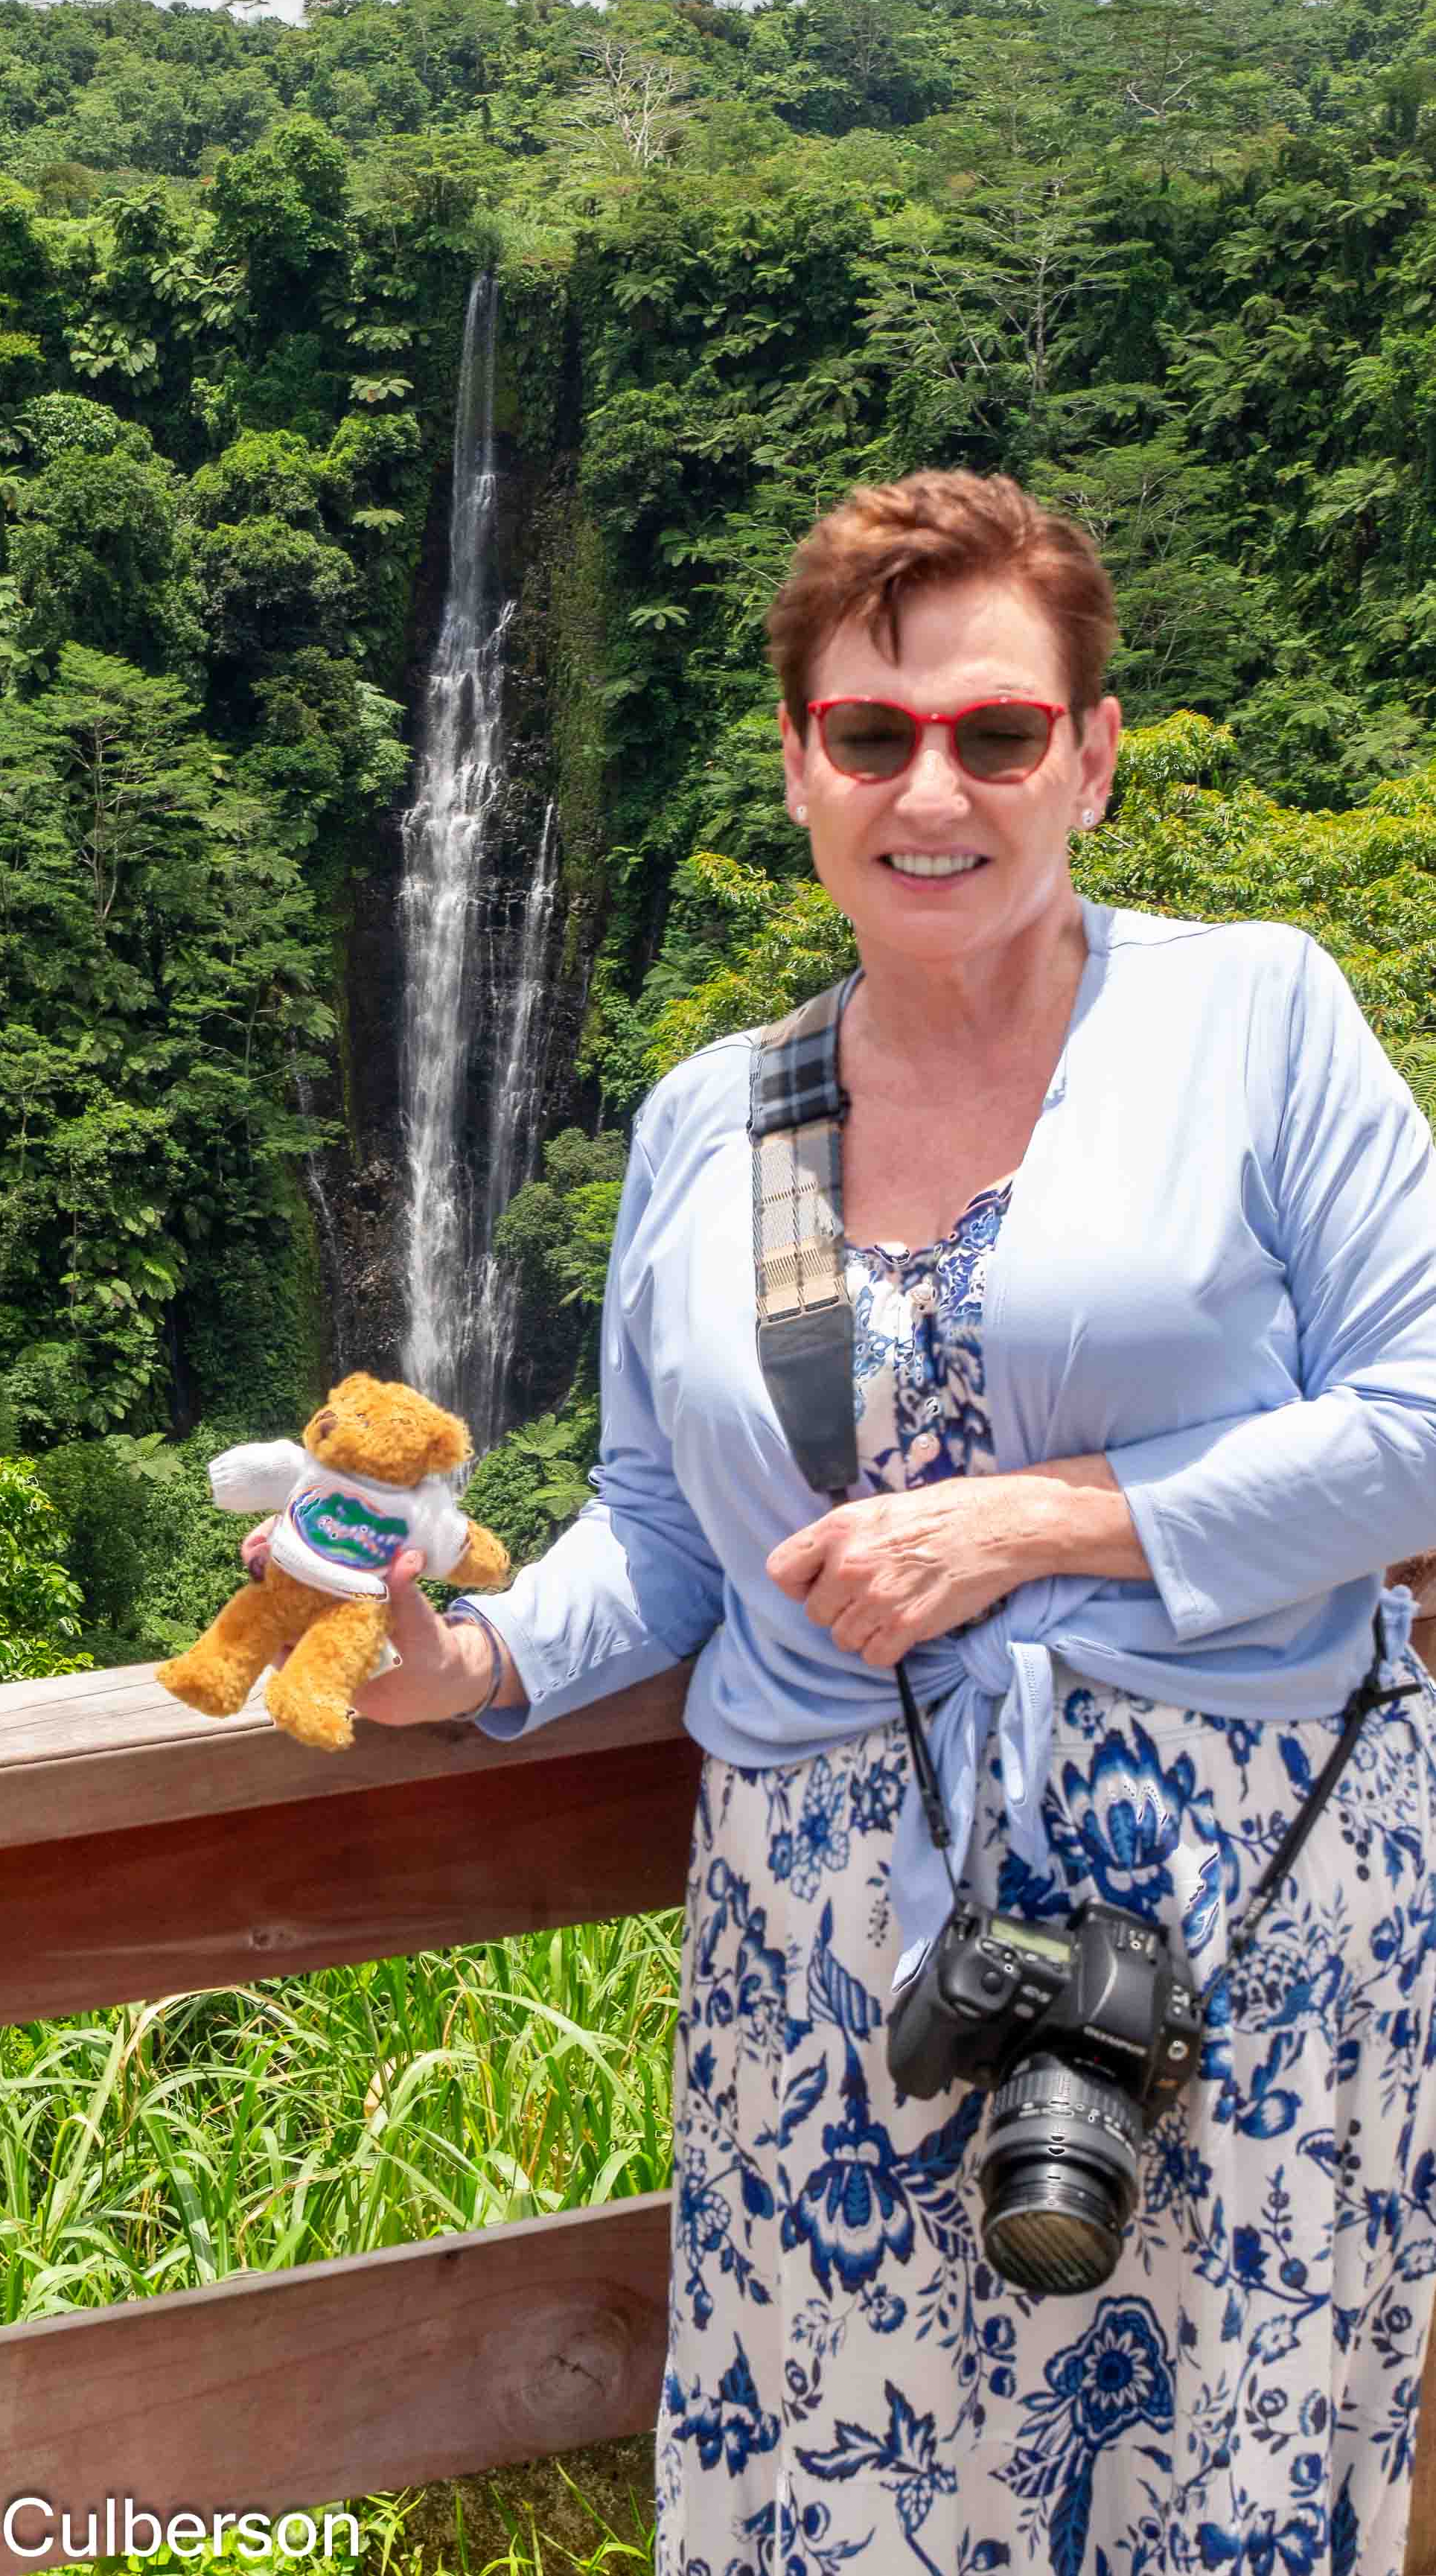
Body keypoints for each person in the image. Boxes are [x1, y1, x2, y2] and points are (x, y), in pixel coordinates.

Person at [240, 469, 1436, 2573]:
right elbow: (660, 1527)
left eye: (997, 731)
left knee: (1210, 2497)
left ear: (1091, 754)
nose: (931, 789)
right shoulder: (713, 1118)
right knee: (844, 2491)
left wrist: (1034, 1523)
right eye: (871, 734)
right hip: (839, 1977)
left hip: (1237, 1944)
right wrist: (470, 1655)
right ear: (801, 761)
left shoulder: (1252, 1015)